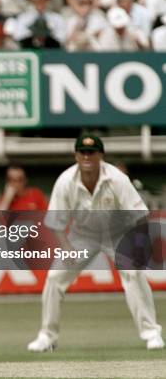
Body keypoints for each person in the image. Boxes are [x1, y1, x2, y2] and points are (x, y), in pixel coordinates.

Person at [27, 135, 164, 352]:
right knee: (54, 277)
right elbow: (56, 222)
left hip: (118, 232)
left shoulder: (117, 179)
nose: (87, 156)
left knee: (134, 273)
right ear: (76, 155)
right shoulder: (65, 181)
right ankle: (47, 336)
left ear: (100, 155)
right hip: (83, 235)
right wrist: (67, 248)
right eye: (82, 152)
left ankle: (152, 333)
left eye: (91, 152)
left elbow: (139, 215)